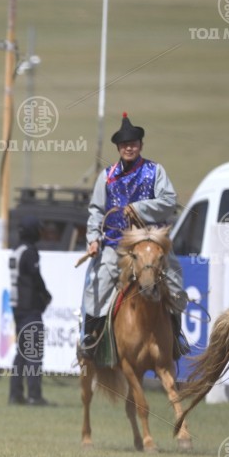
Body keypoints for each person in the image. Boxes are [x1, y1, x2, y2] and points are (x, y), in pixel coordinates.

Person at [80, 112, 189, 360]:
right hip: (116, 243)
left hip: (150, 239)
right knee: (100, 279)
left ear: (140, 145)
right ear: (118, 148)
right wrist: (93, 239)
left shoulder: (155, 171)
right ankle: (91, 338)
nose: (129, 148)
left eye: (133, 143)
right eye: (124, 144)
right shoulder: (106, 176)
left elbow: (169, 201)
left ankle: (176, 335)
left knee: (173, 278)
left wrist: (139, 208)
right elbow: (96, 210)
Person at [9, 217, 52, 406]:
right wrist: (45, 295)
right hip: (29, 308)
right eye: (38, 229)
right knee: (33, 351)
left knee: (22, 352)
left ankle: (15, 395)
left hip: (18, 308)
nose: (40, 233)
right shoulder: (29, 252)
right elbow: (35, 278)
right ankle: (34, 396)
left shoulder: (16, 250)